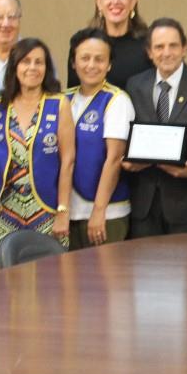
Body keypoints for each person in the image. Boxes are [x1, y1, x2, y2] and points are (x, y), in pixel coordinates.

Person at [125, 18, 187, 235]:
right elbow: (127, 133)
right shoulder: (135, 86)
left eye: (173, 46)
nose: (166, 53)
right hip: (144, 204)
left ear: (184, 49)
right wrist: (128, 160)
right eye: (159, 47)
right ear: (149, 52)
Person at [0, 38, 75, 256]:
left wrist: (63, 211)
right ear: (14, 66)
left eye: (39, 62)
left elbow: (68, 161)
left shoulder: (58, 104)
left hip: (46, 209)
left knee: (51, 272)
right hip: (3, 211)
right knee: (5, 272)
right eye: (26, 61)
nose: (32, 68)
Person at [65, 28, 134, 249]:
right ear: (73, 62)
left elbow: (114, 159)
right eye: (85, 58)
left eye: (99, 59)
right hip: (68, 211)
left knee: (104, 271)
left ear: (109, 64)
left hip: (106, 213)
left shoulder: (116, 100)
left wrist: (99, 210)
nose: (91, 65)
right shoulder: (63, 99)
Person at [67, 0, 152, 89]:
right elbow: (74, 93)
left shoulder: (149, 44)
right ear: (99, 3)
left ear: (133, 2)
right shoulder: (83, 43)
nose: (115, 1)